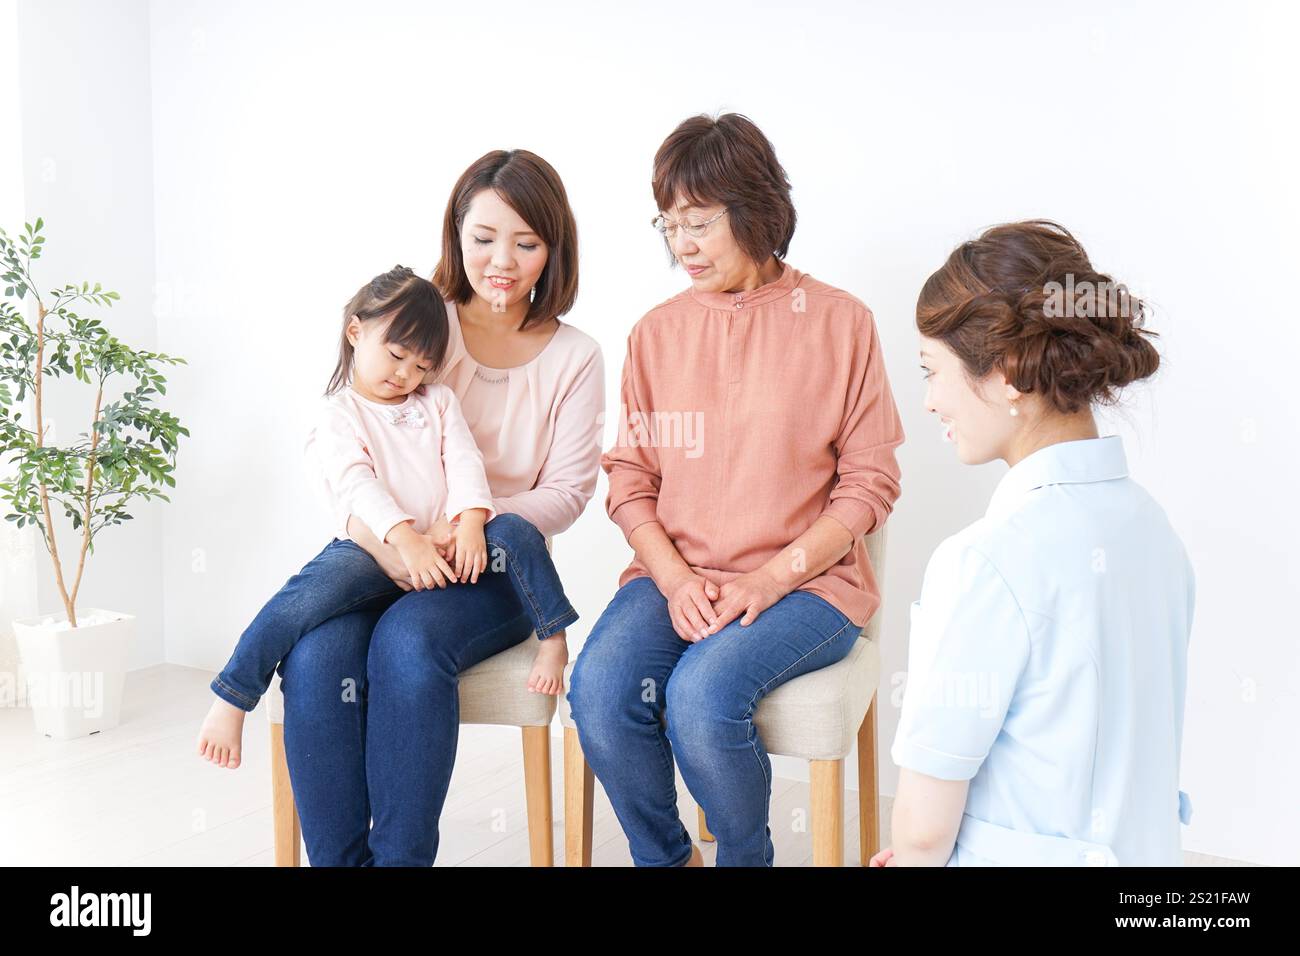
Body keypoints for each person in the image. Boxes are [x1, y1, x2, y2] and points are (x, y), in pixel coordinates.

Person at [870, 220, 1195, 867]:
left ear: (1009, 373)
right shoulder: (1156, 531)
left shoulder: (986, 561)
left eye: (932, 371)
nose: (930, 402)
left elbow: (924, 829)